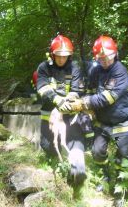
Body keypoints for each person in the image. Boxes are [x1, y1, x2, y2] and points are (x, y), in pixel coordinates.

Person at [68, 35, 128, 206]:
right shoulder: (95, 70)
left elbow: (107, 98)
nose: (105, 61)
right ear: (96, 58)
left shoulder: (120, 71)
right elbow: (90, 90)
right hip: (103, 120)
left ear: (115, 54)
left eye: (108, 57)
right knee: (97, 151)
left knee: (123, 154)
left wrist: (83, 103)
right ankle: (105, 176)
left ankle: (121, 188)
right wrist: (84, 103)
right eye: (101, 58)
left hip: (122, 120)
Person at [36, 35, 86, 186]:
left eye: (65, 56)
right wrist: (57, 100)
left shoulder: (74, 68)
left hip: (69, 113)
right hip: (48, 112)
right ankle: (55, 170)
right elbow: (42, 87)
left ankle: (78, 170)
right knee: (47, 145)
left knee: (75, 139)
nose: (61, 59)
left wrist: (69, 100)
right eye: (58, 56)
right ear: (52, 54)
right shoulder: (44, 68)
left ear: (69, 56)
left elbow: (77, 89)